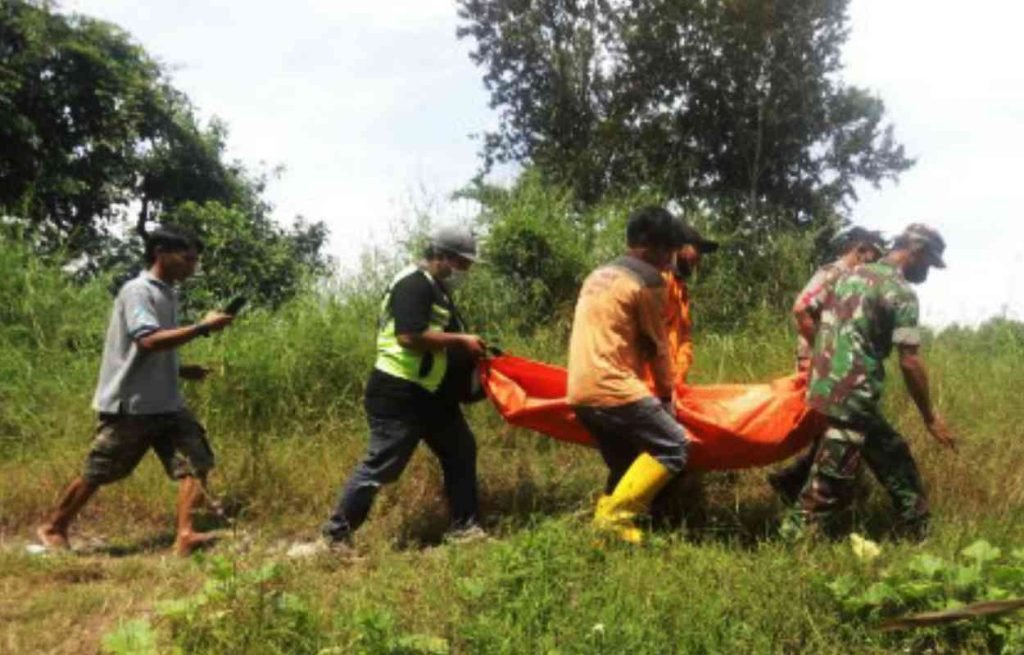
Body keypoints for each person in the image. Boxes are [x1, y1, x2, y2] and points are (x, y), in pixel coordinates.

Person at [36, 225, 235, 556]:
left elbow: (153, 348)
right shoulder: (137, 291)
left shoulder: (169, 293)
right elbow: (148, 340)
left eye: (195, 259)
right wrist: (203, 327)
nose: (193, 266)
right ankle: (54, 526)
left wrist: (181, 369)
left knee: (196, 460)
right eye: (187, 258)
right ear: (161, 253)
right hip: (133, 405)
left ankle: (185, 535)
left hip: (167, 403)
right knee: (100, 471)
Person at [782, 224, 957, 539]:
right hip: (854, 393)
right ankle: (791, 541)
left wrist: (826, 359)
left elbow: (806, 310)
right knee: (828, 487)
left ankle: (920, 529)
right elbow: (910, 359)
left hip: (825, 387)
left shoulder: (847, 275)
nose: (928, 273)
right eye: (928, 264)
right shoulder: (901, 293)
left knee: (892, 452)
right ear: (916, 251)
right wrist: (930, 417)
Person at [321, 227, 488, 548]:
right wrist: (461, 340)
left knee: (461, 451)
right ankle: (335, 536)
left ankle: (465, 528)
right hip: (399, 394)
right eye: (463, 263)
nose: (465, 271)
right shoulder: (412, 284)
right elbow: (408, 337)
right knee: (383, 465)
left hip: (432, 395)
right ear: (442, 256)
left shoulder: (436, 287)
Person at [567, 206, 689, 544]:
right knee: (674, 447)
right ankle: (611, 522)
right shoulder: (647, 280)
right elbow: (658, 345)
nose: (670, 260)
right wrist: (667, 398)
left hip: (579, 389)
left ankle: (601, 544)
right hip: (613, 387)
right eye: (667, 250)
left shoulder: (599, 274)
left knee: (625, 466)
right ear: (648, 246)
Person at [767, 226, 887, 503]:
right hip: (819, 363)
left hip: (835, 364)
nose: (876, 263)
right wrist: (824, 352)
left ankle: (799, 482)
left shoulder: (854, 278)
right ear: (861, 249)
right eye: (873, 256)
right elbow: (801, 308)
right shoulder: (834, 272)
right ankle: (798, 482)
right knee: (833, 424)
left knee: (834, 426)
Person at [642, 219, 719, 388]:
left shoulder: (681, 290)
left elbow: (684, 336)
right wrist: (662, 383)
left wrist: (678, 374)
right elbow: (647, 338)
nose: (699, 259)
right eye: (696, 250)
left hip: (672, 383)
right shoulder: (657, 281)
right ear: (679, 247)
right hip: (650, 386)